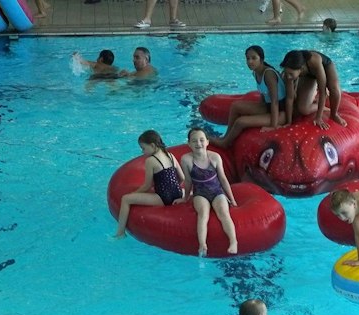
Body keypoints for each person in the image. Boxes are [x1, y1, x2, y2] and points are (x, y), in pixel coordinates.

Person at [113, 130, 183, 237]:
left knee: (126, 199)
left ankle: (120, 233)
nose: (142, 151)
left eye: (143, 148)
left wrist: (134, 193)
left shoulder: (151, 161)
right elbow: (182, 178)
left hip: (163, 198)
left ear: (153, 145)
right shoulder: (170, 155)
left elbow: (147, 185)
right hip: (178, 194)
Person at [182, 127, 238, 256]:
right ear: (189, 144)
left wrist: (233, 199)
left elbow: (223, 179)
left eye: (201, 140)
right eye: (194, 141)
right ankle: (202, 244)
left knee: (224, 213)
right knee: (203, 214)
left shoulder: (214, 157)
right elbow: (188, 181)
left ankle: (233, 241)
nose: (198, 143)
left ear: (207, 142)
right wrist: (185, 198)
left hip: (217, 191)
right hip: (200, 193)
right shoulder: (186, 160)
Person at [217, 45, 285, 148]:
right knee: (236, 106)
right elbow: (263, 94)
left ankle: (225, 144)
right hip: (267, 106)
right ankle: (226, 137)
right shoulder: (256, 72)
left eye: (254, 58)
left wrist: (273, 126)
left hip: (280, 111)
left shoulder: (268, 74)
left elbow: (275, 101)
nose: (250, 62)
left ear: (261, 59)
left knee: (241, 121)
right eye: (248, 58)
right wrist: (256, 110)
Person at [280, 48, 341, 124]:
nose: (288, 77)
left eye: (291, 74)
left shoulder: (314, 61)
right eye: (287, 73)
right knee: (303, 109)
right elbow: (290, 98)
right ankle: (315, 98)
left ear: (301, 69)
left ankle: (334, 114)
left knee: (334, 89)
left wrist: (318, 118)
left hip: (324, 67)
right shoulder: (289, 73)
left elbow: (323, 92)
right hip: (308, 74)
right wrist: (289, 122)